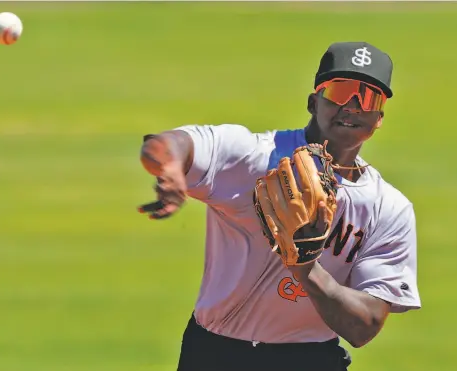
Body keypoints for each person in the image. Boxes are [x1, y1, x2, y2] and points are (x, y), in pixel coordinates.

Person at [138, 41, 421, 371]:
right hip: (214, 354)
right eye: (340, 91)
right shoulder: (253, 157)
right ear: (314, 102)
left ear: (379, 118)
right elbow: (168, 143)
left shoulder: (387, 208)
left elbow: (365, 325)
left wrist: (306, 269)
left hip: (310, 360)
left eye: (368, 97)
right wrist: (169, 166)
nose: (353, 106)